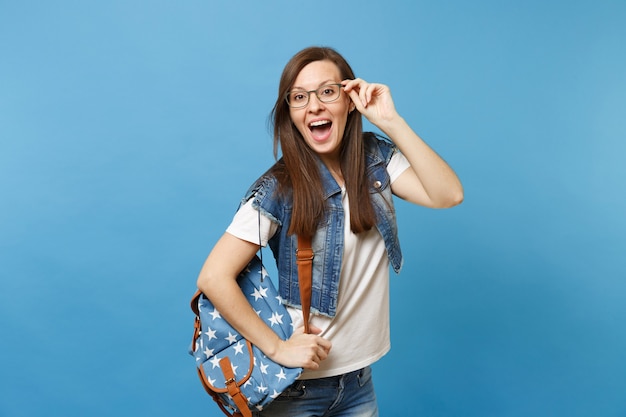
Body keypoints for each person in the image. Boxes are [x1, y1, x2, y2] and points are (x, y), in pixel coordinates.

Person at [196, 46, 463, 417]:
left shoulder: (375, 161)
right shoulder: (280, 188)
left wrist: (391, 121)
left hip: (357, 383)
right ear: (291, 114)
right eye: (300, 97)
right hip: (296, 389)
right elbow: (213, 276)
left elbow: (448, 194)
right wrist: (276, 347)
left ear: (349, 100)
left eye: (327, 91)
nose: (315, 106)